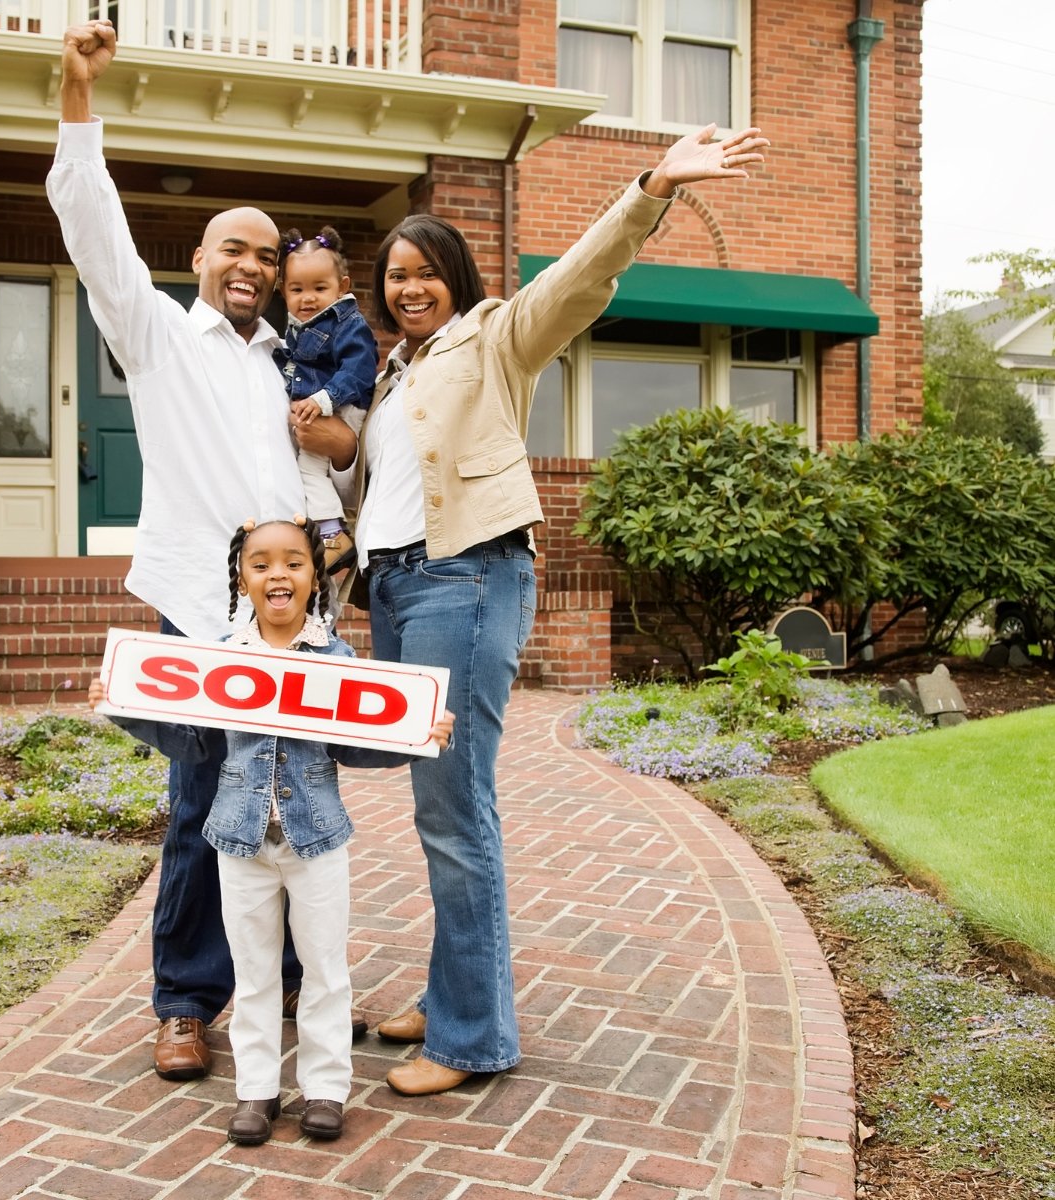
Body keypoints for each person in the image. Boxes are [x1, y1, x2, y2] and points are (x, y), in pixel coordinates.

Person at [340, 123, 771, 1096]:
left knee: (457, 807)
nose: (409, 287)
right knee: (435, 804)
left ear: (456, 274)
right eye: (394, 275)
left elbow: (579, 278)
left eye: (424, 271)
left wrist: (651, 187)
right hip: (401, 591)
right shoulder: (394, 371)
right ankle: (453, 995)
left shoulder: (495, 337)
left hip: (466, 577)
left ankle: (473, 1036)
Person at [47, 18, 359, 1084]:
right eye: (236, 248)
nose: (256, 267)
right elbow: (91, 226)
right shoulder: (158, 338)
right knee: (202, 803)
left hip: (298, 611)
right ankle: (185, 1001)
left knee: (296, 799)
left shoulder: (289, 364)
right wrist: (77, 95)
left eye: (269, 257)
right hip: (205, 603)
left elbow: (321, 480)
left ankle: (290, 989)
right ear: (199, 259)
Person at [90, 517, 455, 1145]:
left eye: (293, 562)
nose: (277, 574)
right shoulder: (222, 657)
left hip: (317, 842)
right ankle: (256, 1092)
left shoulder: (335, 659)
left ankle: (325, 1090)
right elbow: (194, 745)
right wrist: (126, 710)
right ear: (242, 578)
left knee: (324, 971)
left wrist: (416, 739)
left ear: (315, 578)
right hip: (241, 841)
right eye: (261, 564)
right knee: (254, 973)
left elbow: (356, 746)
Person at [273, 227, 379, 571]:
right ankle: (329, 534)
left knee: (308, 470)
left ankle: (334, 536)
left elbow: (360, 368)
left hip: (343, 408)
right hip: (324, 408)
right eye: (297, 289)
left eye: (320, 288)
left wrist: (322, 400)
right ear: (282, 291)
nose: (308, 298)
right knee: (305, 471)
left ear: (342, 287)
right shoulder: (295, 329)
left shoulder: (346, 321)